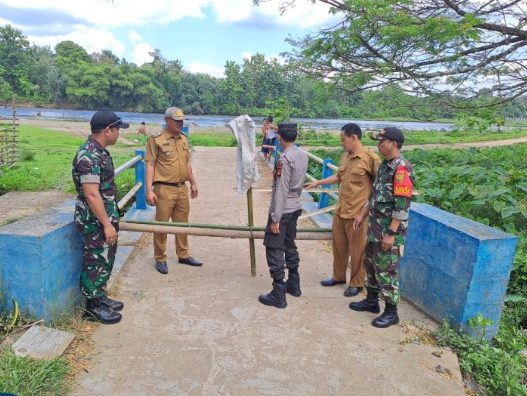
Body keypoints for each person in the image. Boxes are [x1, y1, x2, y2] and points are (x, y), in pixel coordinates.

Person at [349, 127, 415, 328]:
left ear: (393, 143)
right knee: (371, 264)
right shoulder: (385, 166)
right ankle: (371, 301)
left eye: (381, 141)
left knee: (387, 271)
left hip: (389, 231)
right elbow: (375, 196)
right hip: (375, 228)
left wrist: (391, 233)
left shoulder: (401, 169)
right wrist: (362, 215)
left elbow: (402, 205)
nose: (378, 144)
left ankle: (391, 312)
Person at [305, 123, 380, 297]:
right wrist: (319, 182)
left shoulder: (370, 159)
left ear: (354, 138)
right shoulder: (345, 156)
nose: (342, 143)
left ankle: (357, 283)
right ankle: (338, 276)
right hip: (340, 210)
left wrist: (367, 211)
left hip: (358, 215)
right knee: (338, 247)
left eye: (343, 139)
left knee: (357, 250)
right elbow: (339, 177)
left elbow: (379, 187)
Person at [72, 110, 130, 324]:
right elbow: (91, 193)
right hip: (94, 220)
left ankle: (100, 296)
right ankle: (92, 308)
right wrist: (106, 224)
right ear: (108, 130)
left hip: (104, 215)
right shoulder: (88, 155)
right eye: (117, 130)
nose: (118, 134)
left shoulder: (100, 151)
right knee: (94, 260)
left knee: (105, 258)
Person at [145, 107, 203, 274]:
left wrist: (193, 182)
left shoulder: (183, 139)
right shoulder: (156, 139)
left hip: (181, 188)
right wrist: (149, 190)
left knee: (182, 224)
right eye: (176, 120)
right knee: (161, 225)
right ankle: (160, 258)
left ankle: (183, 254)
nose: (180, 123)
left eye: (181, 120)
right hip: (164, 189)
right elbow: (150, 164)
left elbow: (187, 163)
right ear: (167, 120)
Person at [258, 123, 309, 309]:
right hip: (295, 206)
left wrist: (275, 218)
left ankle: (278, 293)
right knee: (289, 244)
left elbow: (281, 190)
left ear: (280, 138)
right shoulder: (303, 154)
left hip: (284, 208)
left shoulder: (284, 159)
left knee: (274, 247)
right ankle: (294, 284)